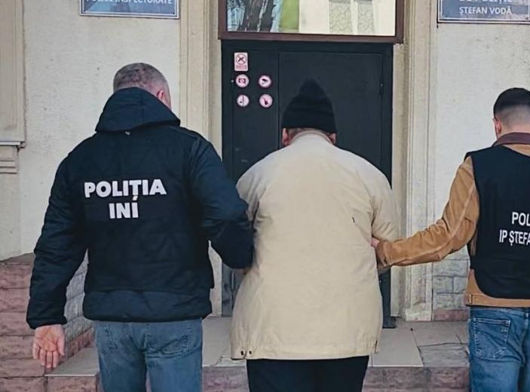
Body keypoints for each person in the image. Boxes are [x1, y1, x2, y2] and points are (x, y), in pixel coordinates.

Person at [26, 63, 254, 392]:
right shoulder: (189, 148)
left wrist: (46, 316)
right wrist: (241, 256)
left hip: (113, 317)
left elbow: (56, 245)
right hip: (174, 313)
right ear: (161, 96)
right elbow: (226, 214)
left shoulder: (80, 159)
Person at [374, 88, 530, 392]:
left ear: (497, 124)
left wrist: (385, 253)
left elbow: (446, 237)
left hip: (494, 303)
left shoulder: (479, 166)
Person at [231, 80, 399, 392]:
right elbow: (387, 252)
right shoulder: (370, 176)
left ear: (285, 135)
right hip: (347, 329)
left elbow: (234, 243)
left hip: (274, 330)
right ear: (333, 137)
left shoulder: (257, 174)